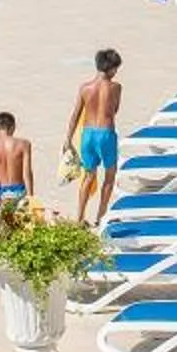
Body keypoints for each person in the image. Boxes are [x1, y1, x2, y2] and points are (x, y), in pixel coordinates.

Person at [66, 49, 125, 225]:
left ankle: (80, 217)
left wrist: (67, 139)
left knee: (89, 176)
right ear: (112, 69)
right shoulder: (116, 87)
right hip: (106, 134)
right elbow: (114, 110)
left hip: (88, 134)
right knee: (110, 175)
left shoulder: (85, 88)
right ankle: (100, 217)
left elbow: (75, 115)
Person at [0, 111, 34, 216]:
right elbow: (27, 173)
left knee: (3, 229)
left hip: (1, 194)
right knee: (22, 228)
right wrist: (30, 197)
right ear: (13, 127)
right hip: (20, 191)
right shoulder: (24, 144)